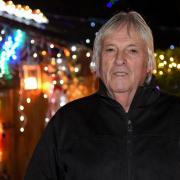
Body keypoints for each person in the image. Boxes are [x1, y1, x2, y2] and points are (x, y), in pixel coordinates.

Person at [24, 11, 180, 180]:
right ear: (98, 62)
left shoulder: (176, 116)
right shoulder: (67, 122)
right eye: (110, 50)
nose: (120, 59)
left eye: (132, 50)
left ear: (148, 64)